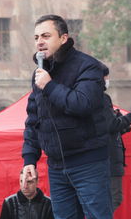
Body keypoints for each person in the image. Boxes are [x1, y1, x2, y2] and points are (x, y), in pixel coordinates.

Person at [22, 14, 113, 219]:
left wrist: (50, 85)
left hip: (88, 163)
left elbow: (82, 104)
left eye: (46, 35)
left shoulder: (88, 67)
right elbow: (34, 119)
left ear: (63, 38)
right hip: (56, 166)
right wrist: (29, 159)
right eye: (36, 37)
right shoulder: (40, 72)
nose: (40, 42)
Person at [102, 64, 131, 210]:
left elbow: (108, 129)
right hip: (109, 160)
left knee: (107, 200)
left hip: (108, 160)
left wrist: (122, 126)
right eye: (106, 77)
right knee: (114, 198)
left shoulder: (95, 99)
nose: (107, 80)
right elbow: (111, 126)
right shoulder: (102, 99)